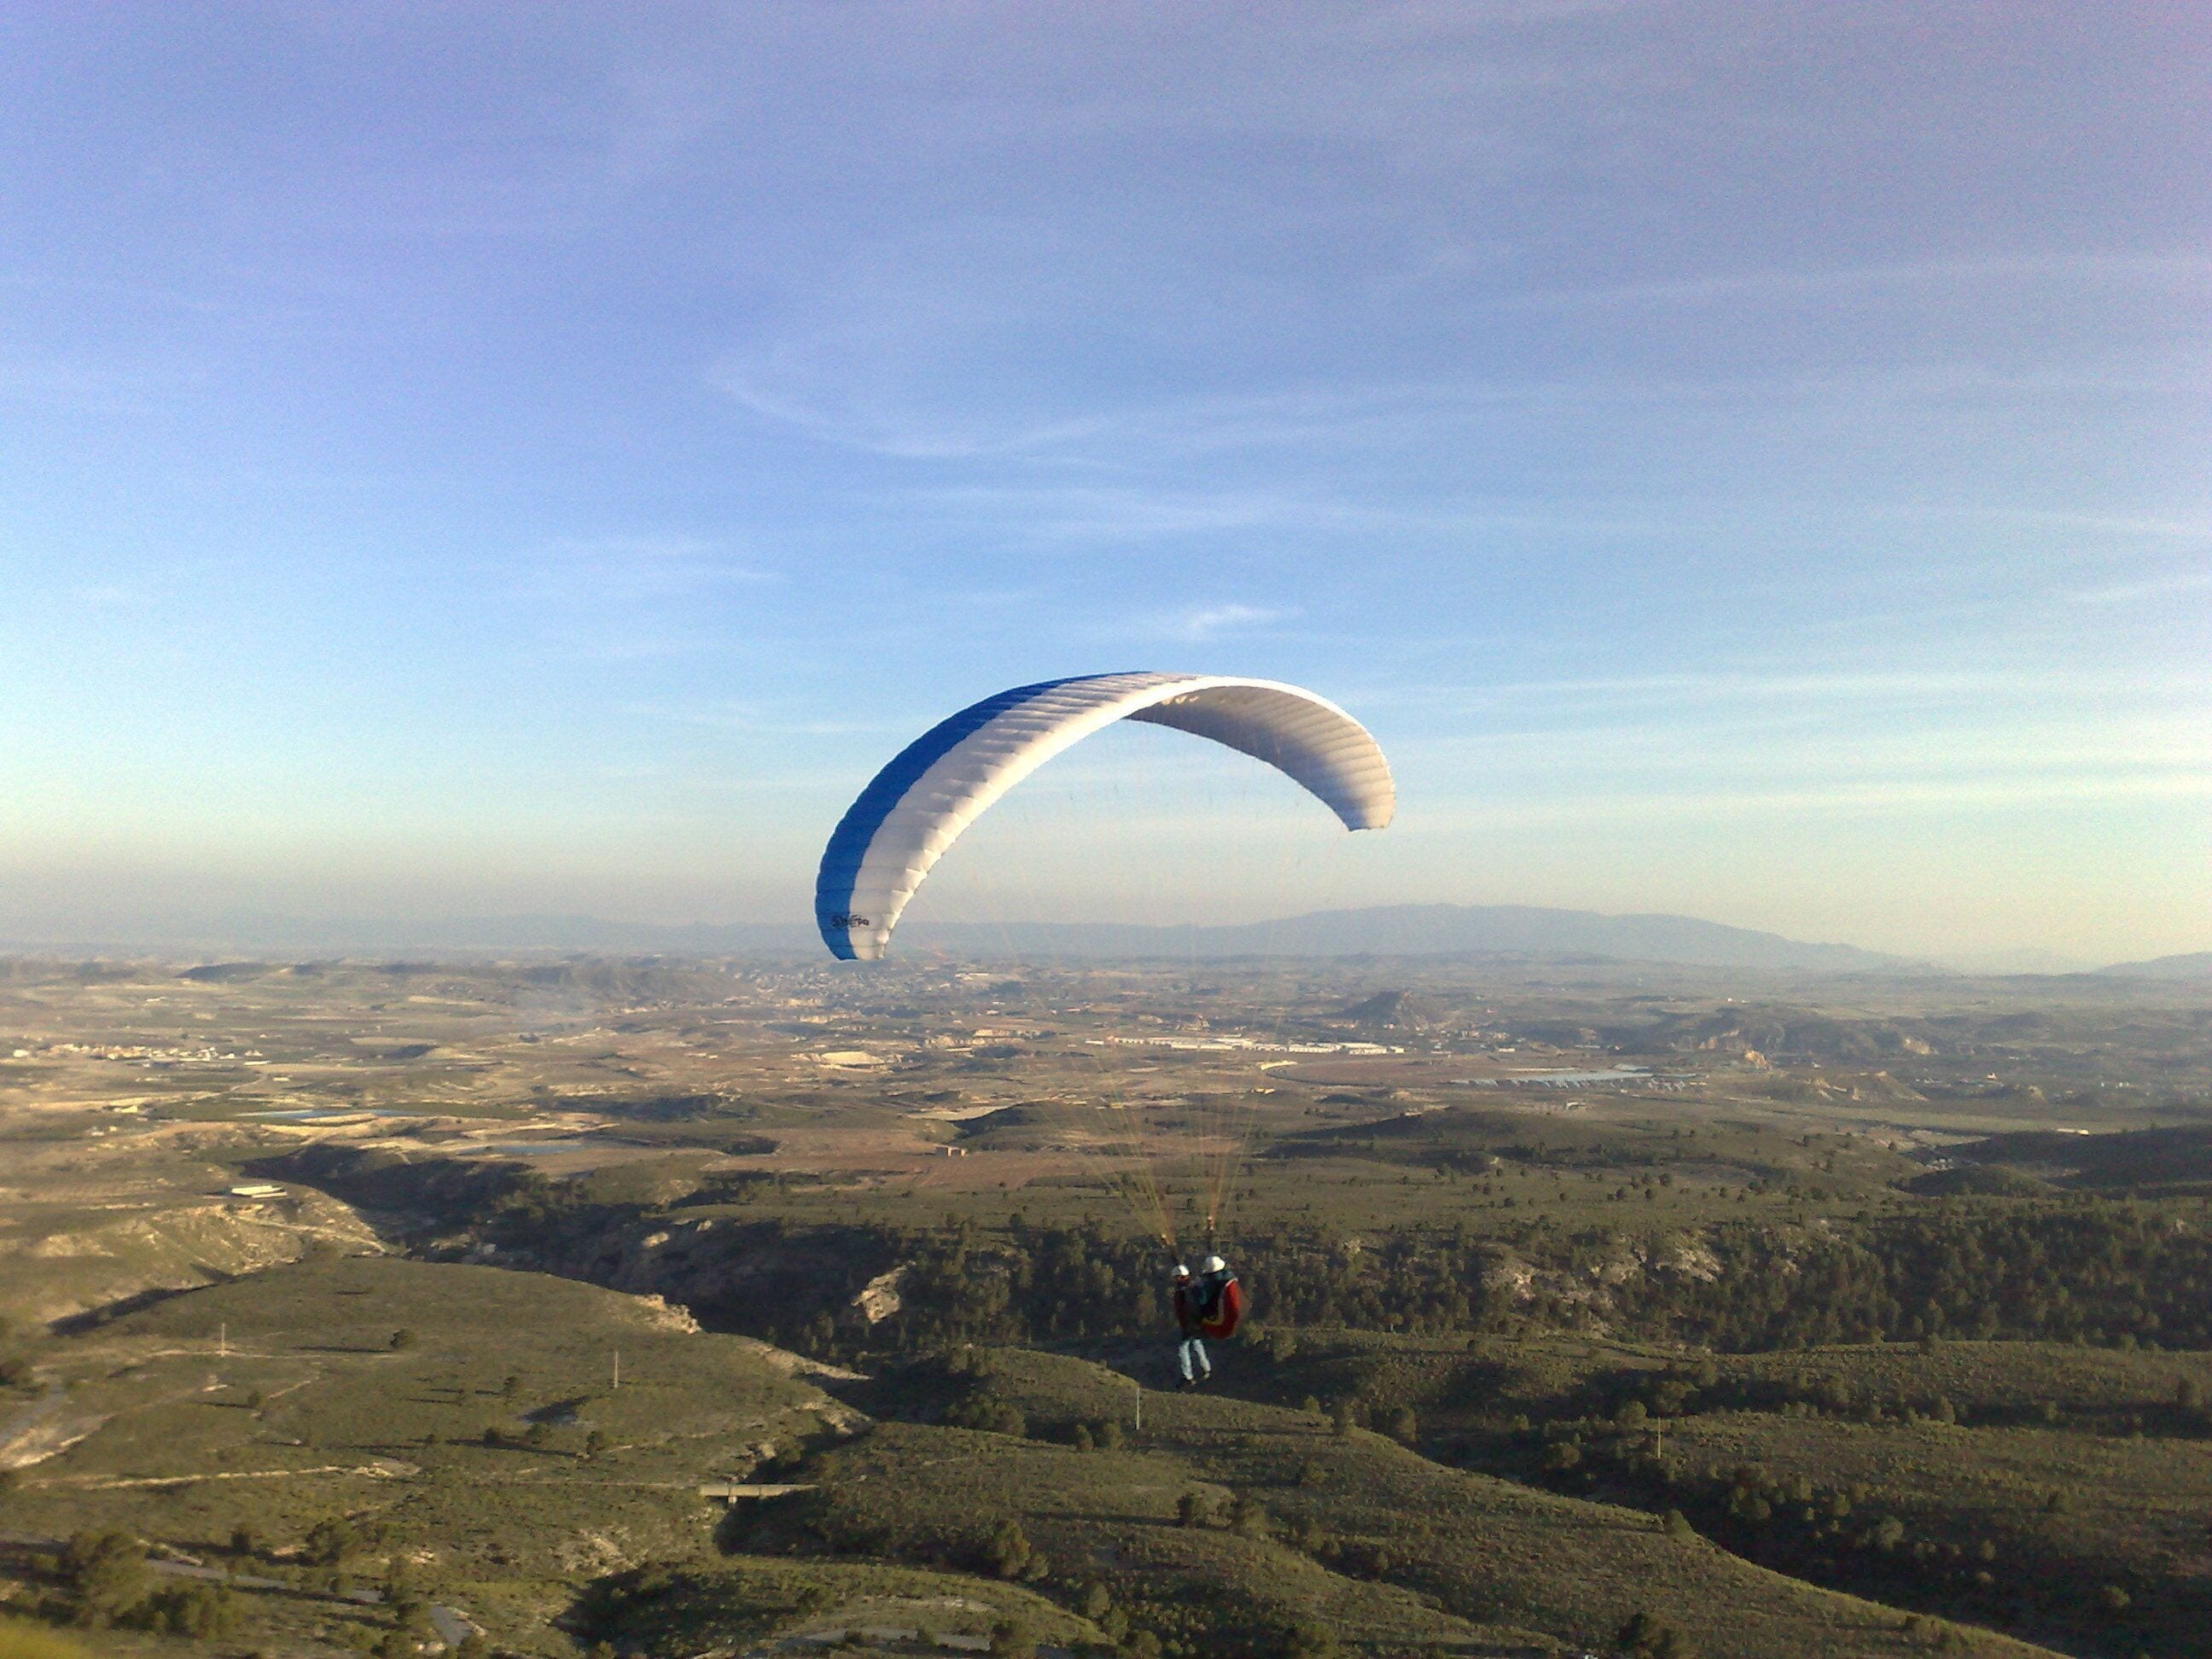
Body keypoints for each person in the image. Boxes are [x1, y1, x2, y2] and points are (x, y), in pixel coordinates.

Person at [1169, 1262, 1210, 1388]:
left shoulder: (1183, 1291)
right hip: (1197, 1322)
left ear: (1180, 1277)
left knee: (1183, 1348)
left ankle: (1188, 1376)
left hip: (1189, 1324)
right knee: (1197, 1343)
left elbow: (1183, 1309)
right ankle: (1205, 1368)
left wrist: (1187, 1324)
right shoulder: (1195, 1287)